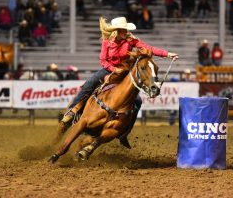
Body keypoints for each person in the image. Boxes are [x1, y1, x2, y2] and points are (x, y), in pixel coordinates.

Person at [59, 16, 178, 148]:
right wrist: (113, 69)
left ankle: (123, 134)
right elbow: (103, 60)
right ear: (117, 30)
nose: (125, 31)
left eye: (125, 29)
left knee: (137, 101)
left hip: (125, 71)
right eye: (123, 29)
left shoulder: (131, 40)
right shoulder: (107, 41)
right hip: (108, 70)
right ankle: (71, 112)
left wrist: (167, 54)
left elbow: (148, 48)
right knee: (90, 83)